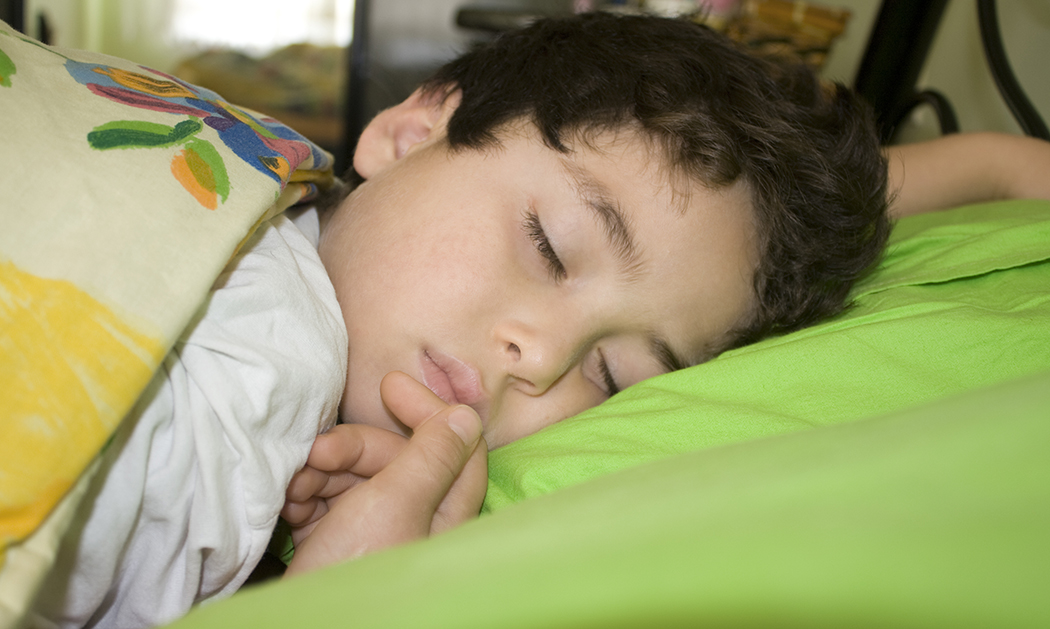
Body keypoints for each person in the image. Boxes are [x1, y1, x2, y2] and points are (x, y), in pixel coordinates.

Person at [33, 11, 1050, 628]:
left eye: (610, 378)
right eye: (552, 248)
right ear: (410, 128)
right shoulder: (270, 357)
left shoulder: (273, 255)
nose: (540, 353)